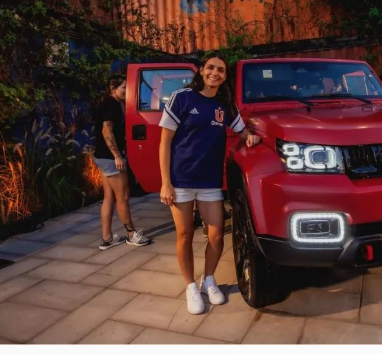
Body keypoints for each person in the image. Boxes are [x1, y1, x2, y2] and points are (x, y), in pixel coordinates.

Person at [158, 54, 261, 315]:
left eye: (221, 70)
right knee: (184, 235)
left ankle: (209, 279)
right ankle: (190, 286)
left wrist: (251, 137)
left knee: (215, 235)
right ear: (202, 70)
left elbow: (242, 130)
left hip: (210, 181)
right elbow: (164, 142)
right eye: (211, 68)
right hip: (181, 180)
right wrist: (166, 183)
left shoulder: (224, 104)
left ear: (225, 77)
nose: (215, 73)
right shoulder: (182, 98)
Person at [93, 74, 151, 250]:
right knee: (123, 197)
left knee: (109, 198)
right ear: (113, 88)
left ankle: (107, 238)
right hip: (110, 159)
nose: (127, 90)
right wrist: (117, 156)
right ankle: (131, 235)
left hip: (101, 157)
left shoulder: (108, 103)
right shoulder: (112, 105)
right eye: (124, 87)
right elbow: (106, 131)